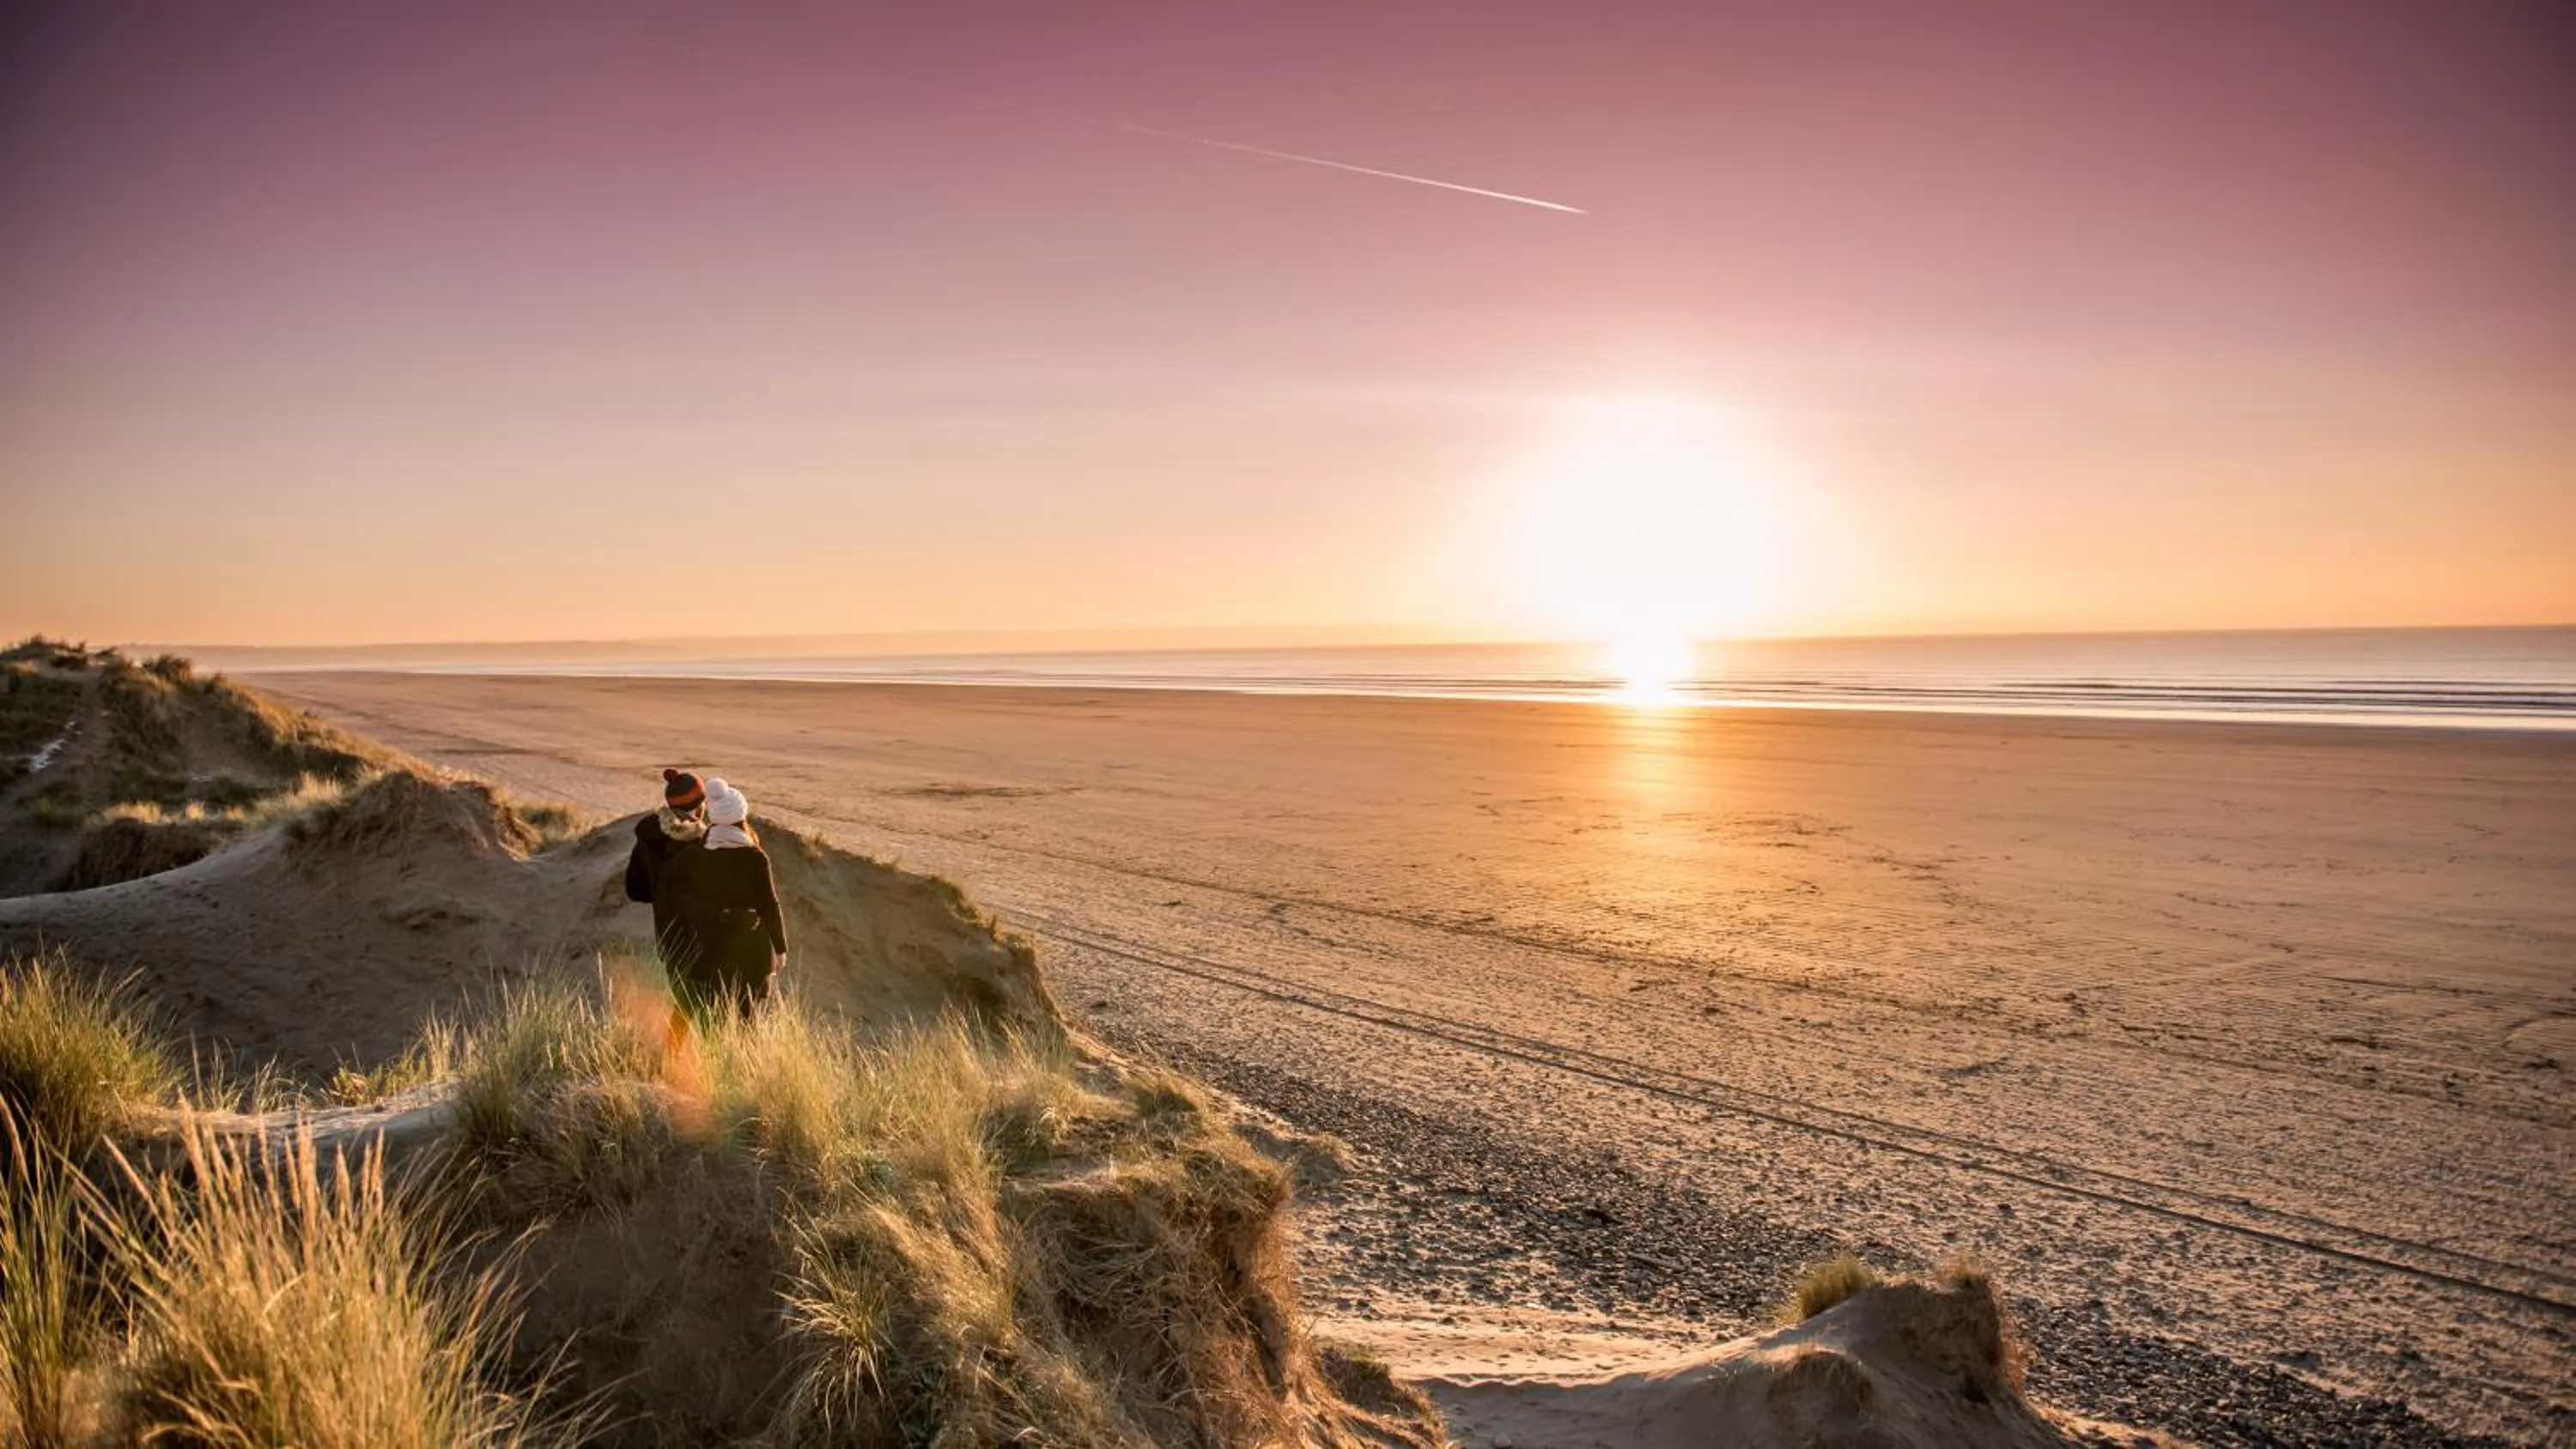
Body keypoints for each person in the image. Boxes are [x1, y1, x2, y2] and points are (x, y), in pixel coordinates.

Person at [665, 776, 787, 1022]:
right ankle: (743, 1060)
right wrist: (780, 947)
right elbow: (769, 904)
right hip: (750, 949)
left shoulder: (699, 855)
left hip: (711, 948)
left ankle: (677, 1056)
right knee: (746, 1017)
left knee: (700, 1012)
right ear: (741, 817)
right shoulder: (755, 857)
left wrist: (715, 915)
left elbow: (681, 897)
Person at [623, 768, 711, 973]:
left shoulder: (648, 836)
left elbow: (636, 890)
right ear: (698, 808)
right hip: (707, 943)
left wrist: (662, 893)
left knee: (681, 999)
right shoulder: (703, 842)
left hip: (669, 939)